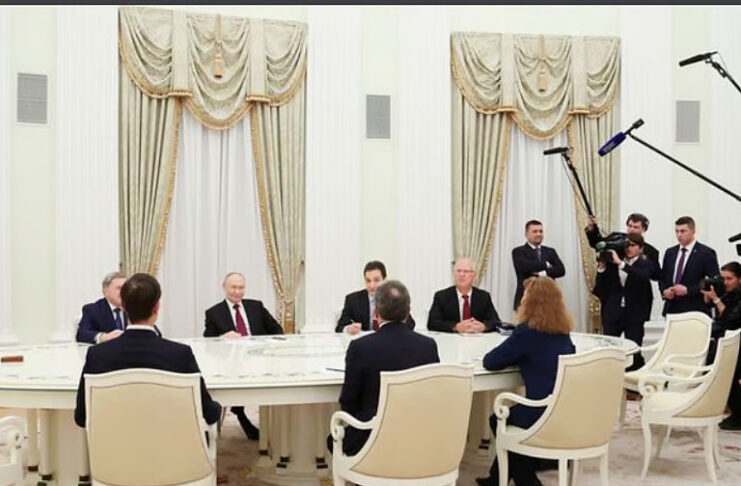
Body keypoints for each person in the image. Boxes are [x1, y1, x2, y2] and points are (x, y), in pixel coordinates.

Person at [74, 273, 221, 428]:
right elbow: (209, 413)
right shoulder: (180, 354)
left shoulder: (97, 355)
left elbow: (81, 417)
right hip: (167, 439)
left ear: (124, 306)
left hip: (114, 441)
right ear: (156, 308)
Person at [476, 277, 576, 486]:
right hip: (563, 409)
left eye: (524, 296)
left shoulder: (527, 332)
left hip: (540, 411)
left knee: (498, 419)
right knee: (508, 420)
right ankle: (496, 479)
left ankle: (527, 480)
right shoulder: (563, 333)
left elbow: (491, 362)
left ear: (531, 302)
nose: (521, 300)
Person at [328, 280, 439, 455]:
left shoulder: (360, 348)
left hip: (370, 441)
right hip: (417, 438)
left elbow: (348, 403)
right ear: (408, 312)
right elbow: (432, 395)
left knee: (334, 439)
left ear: (377, 313)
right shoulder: (428, 346)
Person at [203, 272, 283, 440]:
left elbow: (277, 331)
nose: (237, 292)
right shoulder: (214, 313)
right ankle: (240, 412)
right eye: (233, 287)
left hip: (260, 360)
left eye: (241, 288)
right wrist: (222, 338)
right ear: (224, 288)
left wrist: (262, 344)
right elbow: (208, 343)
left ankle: (269, 425)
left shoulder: (256, 306)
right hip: (230, 363)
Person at [592, 233, 654, 371]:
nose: (628, 248)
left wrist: (621, 264)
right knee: (610, 350)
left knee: (633, 351)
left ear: (641, 248)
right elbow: (599, 289)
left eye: (632, 245)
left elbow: (642, 276)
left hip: (634, 315)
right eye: (626, 245)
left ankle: (634, 378)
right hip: (613, 313)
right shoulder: (613, 264)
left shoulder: (645, 264)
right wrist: (601, 268)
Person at [701, 261, 741, 430]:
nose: (725, 282)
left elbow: (732, 319)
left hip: (736, 341)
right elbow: (715, 308)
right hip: (725, 339)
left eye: (729, 279)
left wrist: (716, 299)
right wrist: (710, 296)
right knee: (724, 376)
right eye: (723, 278)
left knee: (730, 376)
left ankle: (738, 415)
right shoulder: (728, 292)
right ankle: (736, 413)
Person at [660, 216, 719, 316]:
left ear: (693, 231)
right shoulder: (670, 252)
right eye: (677, 231)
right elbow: (663, 276)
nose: (679, 235)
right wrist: (664, 291)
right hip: (672, 308)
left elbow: (714, 281)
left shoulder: (706, 253)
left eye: (683, 231)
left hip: (695, 308)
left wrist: (688, 290)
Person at [335, 260, 415, 334]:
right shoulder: (353, 300)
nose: (372, 285)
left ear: (384, 280)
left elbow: (410, 324)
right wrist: (349, 329)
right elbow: (339, 327)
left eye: (376, 280)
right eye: (368, 281)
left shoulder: (393, 297)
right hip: (365, 341)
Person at [427, 257, 501, 333]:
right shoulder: (441, 296)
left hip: (477, 338)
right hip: (451, 339)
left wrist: (484, 327)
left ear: (473, 275)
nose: (461, 274)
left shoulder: (483, 297)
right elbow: (432, 323)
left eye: (466, 271)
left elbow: (496, 321)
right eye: (458, 271)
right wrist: (455, 327)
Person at [585, 212, 661, 281]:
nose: (631, 229)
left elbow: (656, 276)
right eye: (630, 226)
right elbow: (597, 244)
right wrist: (592, 228)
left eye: (636, 227)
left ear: (644, 229)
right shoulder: (616, 237)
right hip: (613, 287)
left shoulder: (651, 251)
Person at [511, 220, 565, 310]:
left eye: (541, 231)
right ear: (526, 234)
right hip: (526, 299)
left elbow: (561, 270)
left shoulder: (550, 251)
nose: (538, 234)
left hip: (549, 300)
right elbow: (523, 267)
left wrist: (542, 273)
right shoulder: (518, 251)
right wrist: (546, 264)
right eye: (535, 231)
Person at [76, 271, 129, 344]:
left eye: (126, 288)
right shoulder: (93, 310)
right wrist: (103, 337)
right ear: (105, 290)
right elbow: (82, 334)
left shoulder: (134, 308)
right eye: (119, 288)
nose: (124, 292)